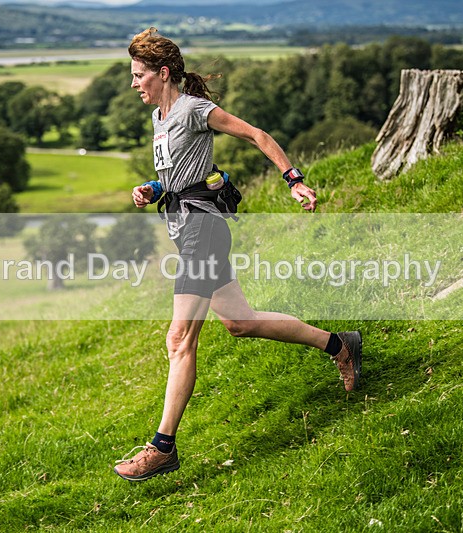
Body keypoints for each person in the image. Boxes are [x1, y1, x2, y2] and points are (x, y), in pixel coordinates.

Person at [113, 27, 362, 482]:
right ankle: (339, 344)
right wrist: (154, 188)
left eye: (139, 75)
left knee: (178, 340)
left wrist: (294, 180)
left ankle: (162, 447)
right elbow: (183, 175)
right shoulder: (160, 119)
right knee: (239, 322)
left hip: (203, 233)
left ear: (162, 73)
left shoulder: (194, 109)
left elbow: (256, 135)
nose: (134, 84)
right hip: (188, 228)